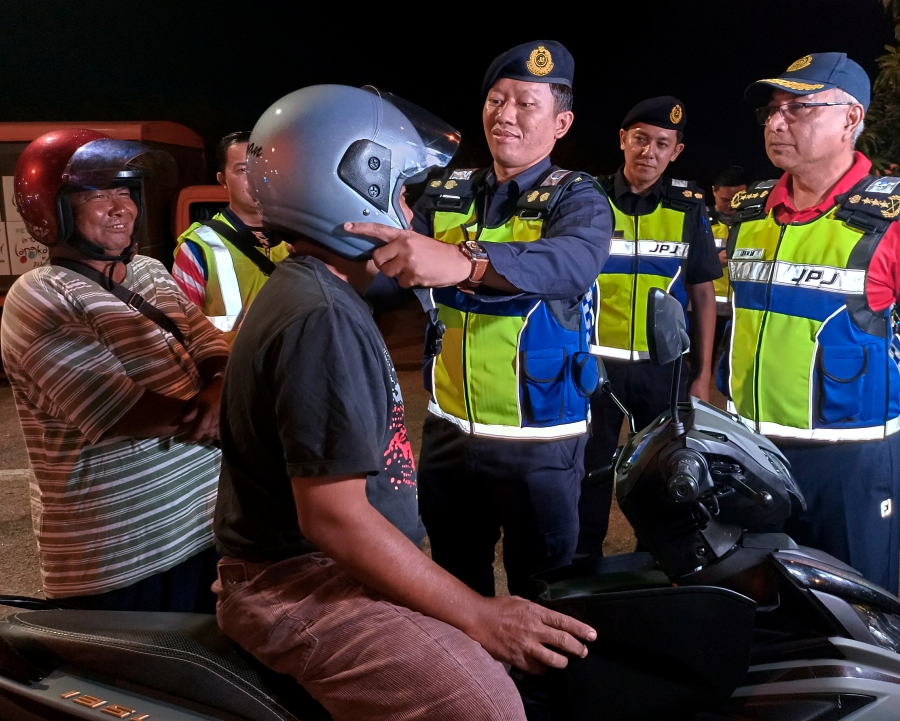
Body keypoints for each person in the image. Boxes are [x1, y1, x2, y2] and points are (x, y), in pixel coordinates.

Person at [213, 84, 596, 721]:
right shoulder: (321, 316)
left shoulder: (317, 289)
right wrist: (480, 613)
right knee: (487, 705)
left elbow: (573, 260)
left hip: (327, 560)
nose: (409, 217)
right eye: (399, 193)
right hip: (303, 579)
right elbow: (333, 518)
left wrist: (463, 264)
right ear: (349, 184)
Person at [349, 42, 613, 602]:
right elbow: (390, 274)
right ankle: (467, 688)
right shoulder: (448, 191)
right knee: (452, 585)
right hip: (448, 430)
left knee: (539, 594)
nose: (506, 114)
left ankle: (535, 694)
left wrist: (465, 263)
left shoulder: (579, 196)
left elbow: (572, 263)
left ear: (562, 122)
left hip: (539, 438)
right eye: (496, 99)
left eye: (525, 103)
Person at [724, 53, 900, 594]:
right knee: (754, 608)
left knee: (852, 613)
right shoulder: (751, 210)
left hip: (847, 460)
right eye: (773, 109)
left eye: (798, 108)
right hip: (750, 454)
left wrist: (896, 412)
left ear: (850, 119)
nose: (776, 121)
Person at [0, 129, 227, 611]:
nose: (121, 207)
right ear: (50, 209)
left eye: (125, 191)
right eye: (98, 193)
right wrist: (222, 408)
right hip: (118, 560)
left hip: (204, 530)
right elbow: (125, 409)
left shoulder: (150, 271)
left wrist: (223, 384)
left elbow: (210, 344)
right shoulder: (41, 296)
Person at [576, 96, 722, 559]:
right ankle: (583, 564)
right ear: (623, 140)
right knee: (588, 472)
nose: (649, 152)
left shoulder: (688, 209)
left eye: (663, 143)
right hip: (595, 366)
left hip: (666, 370)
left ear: (676, 152)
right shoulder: (588, 200)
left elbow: (702, 296)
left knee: (662, 476)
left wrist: (700, 375)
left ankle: (653, 567)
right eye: (640, 139)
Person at [173, 130, 290, 334]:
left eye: (263, 168)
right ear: (222, 179)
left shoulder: (301, 237)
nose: (256, 179)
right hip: (232, 364)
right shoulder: (197, 248)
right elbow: (183, 329)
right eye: (243, 170)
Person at [709, 165, 750, 361]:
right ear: (713, 191)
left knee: (736, 365)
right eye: (725, 200)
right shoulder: (701, 221)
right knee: (698, 366)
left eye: (738, 200)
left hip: (741, 308)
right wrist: (712, 262)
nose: (731, 205)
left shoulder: (754, 224)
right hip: (706, 309)